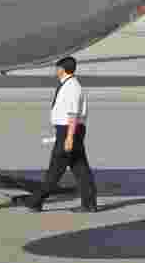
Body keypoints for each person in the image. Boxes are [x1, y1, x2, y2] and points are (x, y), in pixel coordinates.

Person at [21, 56, 98, 213]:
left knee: (55, 169)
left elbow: (72, 114)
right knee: (80, 168)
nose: (56, 71)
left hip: (69, 130)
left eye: (57, 68)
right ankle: (89, 203)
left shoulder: (71, 87)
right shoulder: (70, 85)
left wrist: (69, 137)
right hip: (70, 130)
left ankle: (35, 201)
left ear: (62, 70)